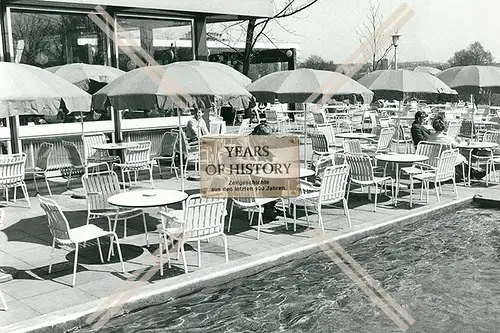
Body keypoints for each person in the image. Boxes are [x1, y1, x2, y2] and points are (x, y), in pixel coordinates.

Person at [428, 116, 486, 180]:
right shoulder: (446, 138)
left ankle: (473, 173)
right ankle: (473, 173)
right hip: (445, 160)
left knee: (458, 160)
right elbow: (457, 145)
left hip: (433, 160)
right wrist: (459, 141)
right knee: (460, 159)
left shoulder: (430, 137)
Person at [249, 123, 280, 221]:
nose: (265, 141)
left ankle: (270, 206)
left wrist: (274, 158)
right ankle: (269, 208)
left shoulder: (260, 141)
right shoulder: (243, 142)